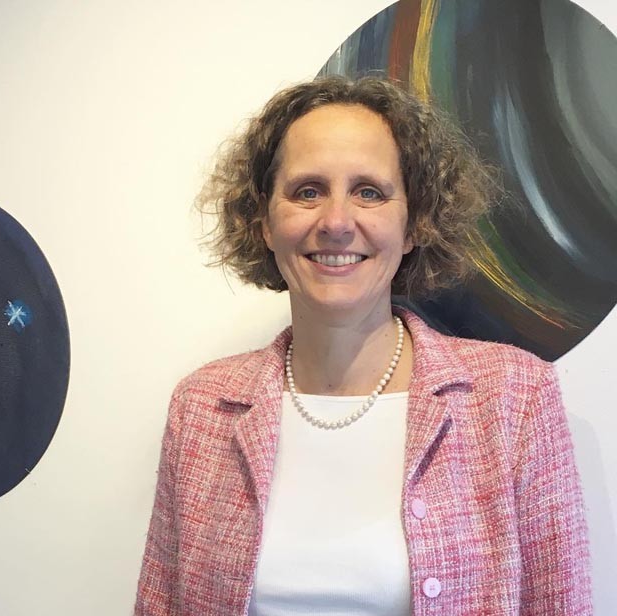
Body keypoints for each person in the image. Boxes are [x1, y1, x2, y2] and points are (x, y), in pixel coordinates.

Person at [134, 76, 592, 615]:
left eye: (369, 192)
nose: (335, 223)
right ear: (263, 221)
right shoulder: (203, 408)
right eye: (307, 191)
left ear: (415, 222)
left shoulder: (513, 398)